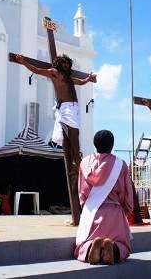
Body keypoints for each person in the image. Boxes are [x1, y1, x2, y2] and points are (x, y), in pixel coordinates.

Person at [15, 53, 96, 224]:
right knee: (70, 138)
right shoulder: (54, 72)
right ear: (59, 63)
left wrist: (88, 78)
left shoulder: (69, 77)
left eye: (68, 63)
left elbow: (81, 82)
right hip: (65, 108)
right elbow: (36, 69)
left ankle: (76, 164)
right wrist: (23, 61)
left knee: (75, 137)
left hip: (75, 108)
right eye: (63, 62)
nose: (66, 65)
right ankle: (76, 164)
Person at [75, 130, 133, 265]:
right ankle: (112, 247)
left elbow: (81, 190)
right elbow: (127, 192)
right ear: (112, 145)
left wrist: (85, 206)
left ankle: (91, 246)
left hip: (92, 211)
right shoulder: (120, 164)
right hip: (114, 212)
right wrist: (126, 209)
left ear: (95, 144)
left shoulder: (85, 162)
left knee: (82, 244)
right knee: (123, 246)